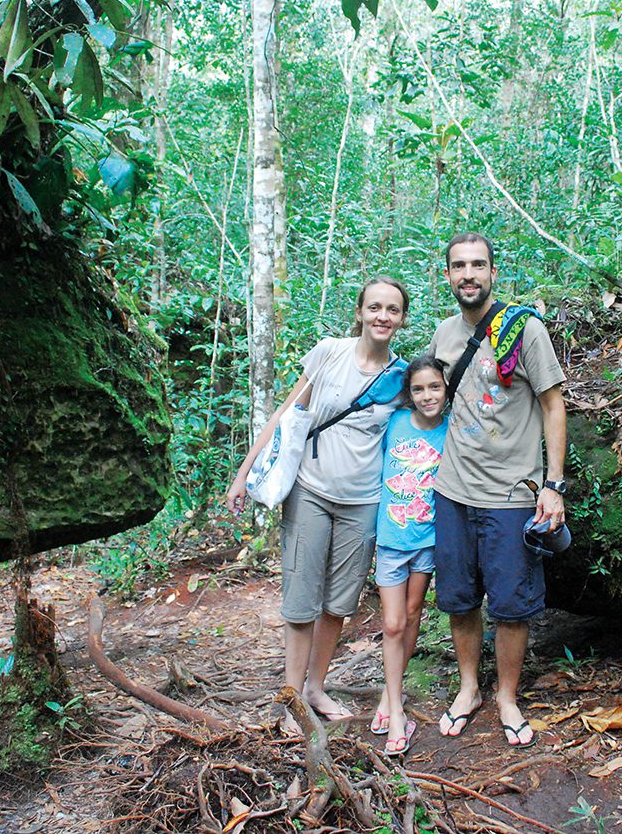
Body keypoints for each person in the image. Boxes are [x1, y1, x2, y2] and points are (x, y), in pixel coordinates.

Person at [225, 277, 410, 730]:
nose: (382, 317)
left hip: (364, 500)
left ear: (402, 318)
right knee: (301, 598)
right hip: (310, 490)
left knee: (338, 602)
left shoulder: (401, 378)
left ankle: (315, 687)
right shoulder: (330, 353)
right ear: (360, 311)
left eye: (392, 310)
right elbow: (286, 418)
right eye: (374, 308)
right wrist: (243, 473)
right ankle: (291, 700)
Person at [428, 233, 567, 749]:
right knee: (460, 598)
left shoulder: (524, 329)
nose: (469, 274)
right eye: (459, 266)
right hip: (453, 489)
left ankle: (507, 696)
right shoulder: (443, 335)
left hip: (511, 493)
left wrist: (552, 485)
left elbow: (554, 404)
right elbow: (428, 398)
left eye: (478, 265)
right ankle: (469, 689)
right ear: (447, 275)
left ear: (492, 272)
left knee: (512, 604)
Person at [368, 356, 449, 757]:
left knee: (414, 614)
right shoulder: (396, 422)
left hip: (428, 539)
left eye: (434, 387)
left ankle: (389, 691)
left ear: (445, 388)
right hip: (391, 539)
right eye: (418, 389)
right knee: (393, 622)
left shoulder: (452, 429)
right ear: (409, 393)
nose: (427, 395)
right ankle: (398, 715)